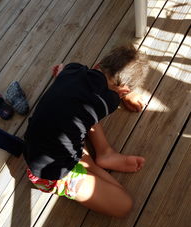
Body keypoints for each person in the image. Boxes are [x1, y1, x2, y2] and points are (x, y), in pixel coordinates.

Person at [23, 44, 148, 218]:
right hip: (49, 174)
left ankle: (104, 156)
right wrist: (125, 95)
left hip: (37, 144)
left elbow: (64, 70)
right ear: (124, 91)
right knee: (124, 204)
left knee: (80, 109)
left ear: (98, 65)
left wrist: (61, 73)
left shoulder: (73, 69)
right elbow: (112, 95)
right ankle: (100, 159)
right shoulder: (108, 102)